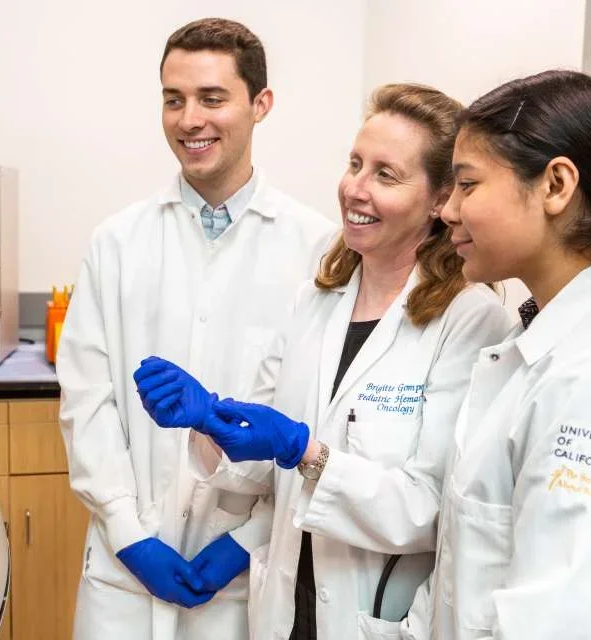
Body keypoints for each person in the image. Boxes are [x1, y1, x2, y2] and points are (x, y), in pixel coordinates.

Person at [134, 83, 512, 639]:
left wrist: (306, 451)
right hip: (288, 609)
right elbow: (264, 469)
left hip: (377, 615)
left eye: (386, 174)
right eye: (355, 163)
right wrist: (210, 420)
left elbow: (433, 511)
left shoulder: (471, 320)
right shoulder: (316, 298)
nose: (354, 189)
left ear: (440, 200)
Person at [400, 69, 591, 639]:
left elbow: (565, 624)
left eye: (468, 185)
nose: (446, 211)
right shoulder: (547, 344)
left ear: (555, 186)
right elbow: (466, 582)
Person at [56, 17, 336, 640]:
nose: (190, 120)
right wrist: (128, 535)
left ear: (260, 104)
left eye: (212, 98)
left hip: (242, 577)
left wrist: (247, 540)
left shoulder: (316, 248)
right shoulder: (117, 242)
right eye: (173, 99)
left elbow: (312, 418)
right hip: (123, 574)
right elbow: (87, 402)